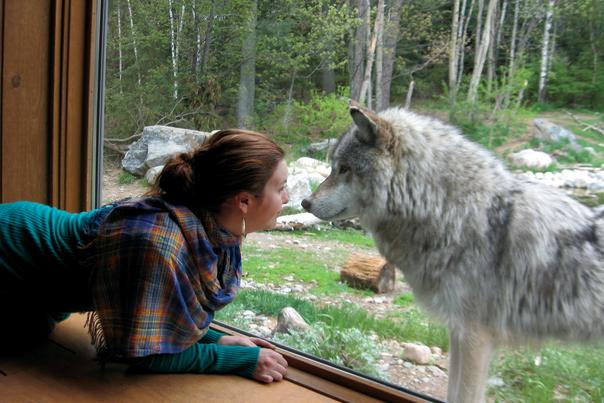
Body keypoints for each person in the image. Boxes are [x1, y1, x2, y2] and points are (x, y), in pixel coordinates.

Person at [0, 129, 289, 383]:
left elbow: (166, 317)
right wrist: (238, 360)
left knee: (33, 336)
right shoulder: (159, 242)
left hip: (34, 286)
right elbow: (141, 354)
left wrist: (221, 338)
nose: (287, 198)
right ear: (244, 201)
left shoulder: (212, 234)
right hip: (8, 252)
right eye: (281, 187)